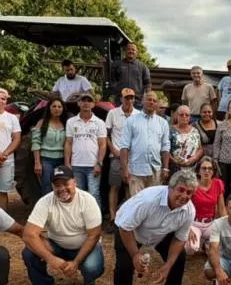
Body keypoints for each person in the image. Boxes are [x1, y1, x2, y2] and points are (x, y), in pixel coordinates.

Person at [112, 169, 198, 285]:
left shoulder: (189, 211)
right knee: (124, 266)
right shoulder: (148, 200)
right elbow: (125, 228)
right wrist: (135, 255)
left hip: (161, 232)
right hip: (131, 230)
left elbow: (180, 239)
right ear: (170, 187)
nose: (184, 196)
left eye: (189, 192)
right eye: (181, 190)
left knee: (178, 259)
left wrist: (168, 266)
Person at [22, 165, 105, 285]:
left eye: (65, 183)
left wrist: (76, 262)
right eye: (56, 185)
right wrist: (51, 259)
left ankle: (89, 278)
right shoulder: (45, 202)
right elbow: (29, 235)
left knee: (92, 268)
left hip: (84, 245)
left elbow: (94, 235)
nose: (61, 188)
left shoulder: (87, 200)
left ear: (75, 182)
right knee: (29, 252)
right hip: (57, 245)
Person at [120, 91, 172, 196]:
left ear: (157, 104)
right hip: (136, 170)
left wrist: (166, 168)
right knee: (137, 202)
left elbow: (165, 147)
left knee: (153, 201)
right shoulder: (131, 121)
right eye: (149, 99)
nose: (151, 102)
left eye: (154, 100)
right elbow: (124, 146)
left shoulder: (163, 123)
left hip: (155, 170)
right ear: (142, 101)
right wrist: (124, 169)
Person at [64, 92, 108, 205]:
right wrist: (67, 163)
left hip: (93, 165)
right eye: (83, 100)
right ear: (78, 103)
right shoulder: (71, 122)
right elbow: (68, 142)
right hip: (76, 165)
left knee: (94, 193)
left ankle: (96, 216)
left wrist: (99, 163)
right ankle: (80, 216)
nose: (86, 103)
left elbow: (103, 144)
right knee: (78, 194)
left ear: (93, 104)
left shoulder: (99, 123)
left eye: (89, 101)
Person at [105, 88, 138, 230]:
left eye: (131, 98)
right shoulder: (112, 113)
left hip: (133, 157)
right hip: (116, 156)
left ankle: (127, 217)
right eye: (126, 98)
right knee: (115, 186)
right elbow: (106, 134)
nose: (129, 100)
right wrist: (113, 149)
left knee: (130, 187)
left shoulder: (138, 114)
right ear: (121, 99)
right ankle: (112, 218)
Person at [185, 157, 226, 255]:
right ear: (198, 171)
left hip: (211, 223)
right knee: (190, 249)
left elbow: (222, 208)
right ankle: (199, 242)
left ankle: (206, 244)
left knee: (223, 245)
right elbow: (184, 208)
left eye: (210, 168)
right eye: (204, 168)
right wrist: (188, 228)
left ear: (213, 171)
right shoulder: (192, 185)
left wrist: (227, 226)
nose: (207, 171)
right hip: (194, 223)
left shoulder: (218, 183)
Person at [31, 97, 69, 196]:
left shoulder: (66, 124)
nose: (57, 109)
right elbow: (35, 142)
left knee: (62, 187)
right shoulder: (42, 123)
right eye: (54, 106)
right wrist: (37, 163)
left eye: (59, 107)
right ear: (49, 108)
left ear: (63, 109)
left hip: (61, 160)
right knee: (47, 187)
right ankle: (48, 205)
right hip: (46, 160)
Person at [169, 105, 205, 174]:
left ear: (190, 117)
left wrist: (193, 159)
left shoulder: (195, 130)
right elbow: (165, 150)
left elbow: (200, 149)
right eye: (181, 115)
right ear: (177, 116)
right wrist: (174, 161)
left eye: (187, 115)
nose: (184, 117)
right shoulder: (170, 130)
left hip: (193, 168)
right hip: (176, 168)